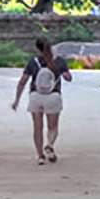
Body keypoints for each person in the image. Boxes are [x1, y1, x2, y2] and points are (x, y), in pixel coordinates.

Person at [14, 36, 69, 164]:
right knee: (53, 127)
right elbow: (68, 77)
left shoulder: (33, 62)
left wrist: (17, 100)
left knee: (37, 128)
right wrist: (61, 72)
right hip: (53, 96)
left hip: (35, 96)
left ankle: (40, 156)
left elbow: (23, 81)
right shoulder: (59, 61)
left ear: (37, 48)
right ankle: (49, 145)